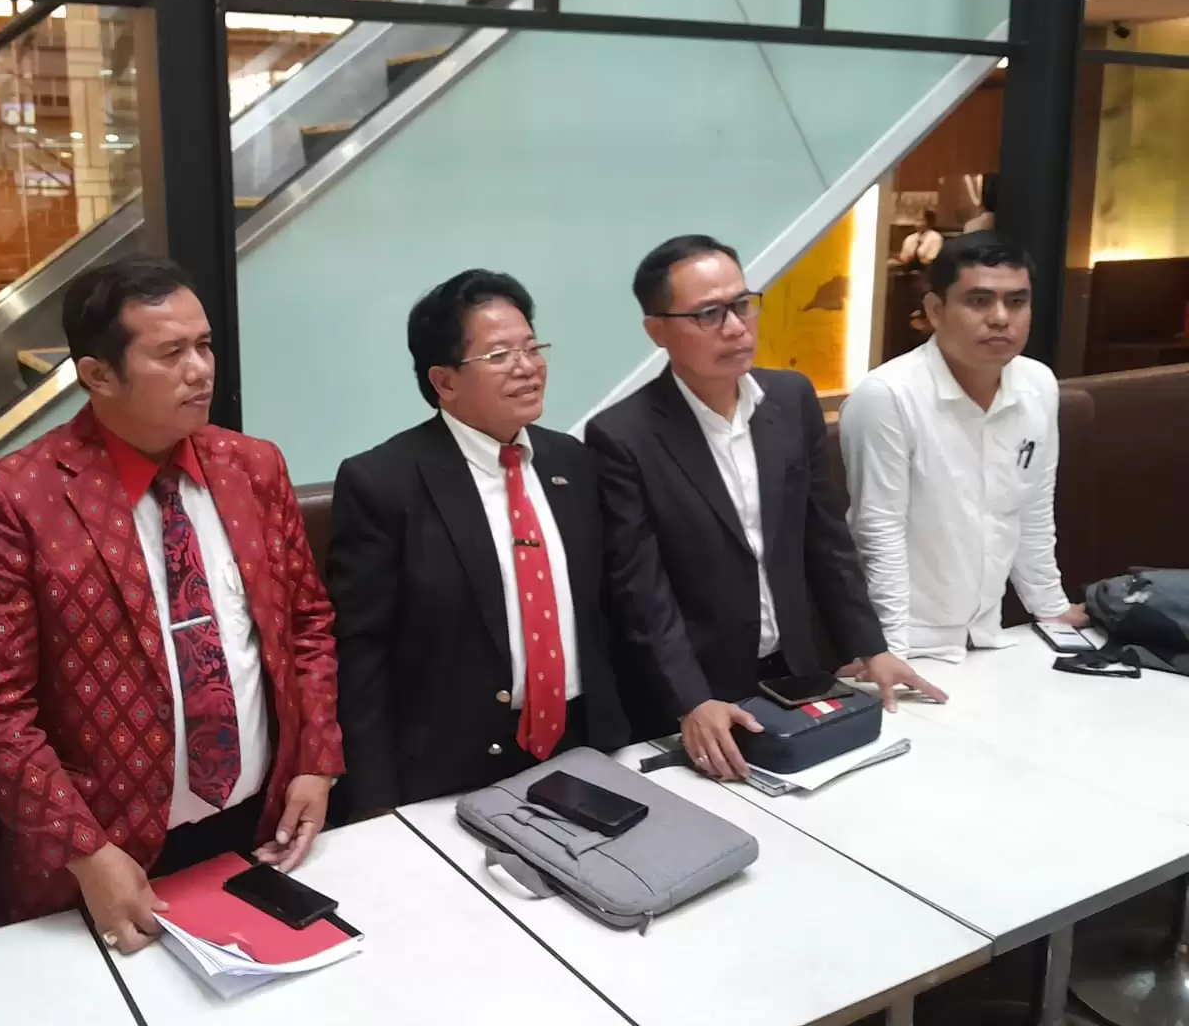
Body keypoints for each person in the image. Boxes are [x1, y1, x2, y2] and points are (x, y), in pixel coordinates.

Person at [0, 256, 343, 954]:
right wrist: (84, 849)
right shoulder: (17, 500)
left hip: (259, 823)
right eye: (171, 353)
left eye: (205, 345)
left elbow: (306, 624)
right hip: (106, 853)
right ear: (98, 375)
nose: (201, 370)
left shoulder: (253, 467)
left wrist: (316, 757)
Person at [584, 235, 946, 781]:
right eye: (708, 313)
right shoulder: (622, 436)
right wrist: (690, 699)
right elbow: (641, 591)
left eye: (742, 304)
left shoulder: (791, 398)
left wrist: (871, 647)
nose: (735, 327)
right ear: (657, 330)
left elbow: (826, 538)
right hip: (695, 693)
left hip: (796, 672)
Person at [328, 271, 629, 817]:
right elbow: (362, 657)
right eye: (499, 355)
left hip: (587, 747)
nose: (527, 367)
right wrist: (374, 806)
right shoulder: (385, 481)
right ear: (444, 382)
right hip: (452, 770)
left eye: (532, 348)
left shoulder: (571, 461)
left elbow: (608, 609)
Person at [840, 233, 1085, 663]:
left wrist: (1051, 607)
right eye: (979, 301)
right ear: (936, 311)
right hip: (906, 640)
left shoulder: (1038, 384)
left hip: (988, 634)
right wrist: (889, 650)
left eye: (1016, 302)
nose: (1000, 318)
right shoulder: (887, 395)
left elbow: (1032, 508)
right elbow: (878, 532)